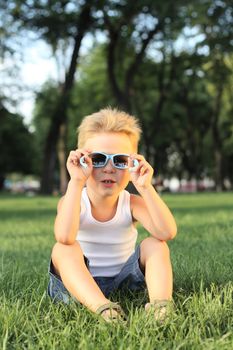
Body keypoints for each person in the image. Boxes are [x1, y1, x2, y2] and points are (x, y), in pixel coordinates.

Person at [48, 107, 177, 322]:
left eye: (120, 160)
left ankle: (161, 308)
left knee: (156, 245)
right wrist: (76, 181)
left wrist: (145, 187)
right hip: (78, 284)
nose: (109, 168)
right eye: (98, 158)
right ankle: (104, 310)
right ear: (82, 160)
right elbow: (64, 236)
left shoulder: (131, 202)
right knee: (62, 249)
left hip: (124, 280)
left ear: (132, 164)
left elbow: (166, 232)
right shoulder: (73, 200)